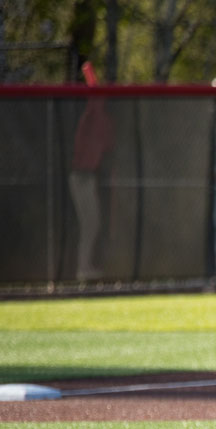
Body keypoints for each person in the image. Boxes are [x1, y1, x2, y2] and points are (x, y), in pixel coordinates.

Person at [69, 61, 114, 280]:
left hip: (90, 177)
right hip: (80, 176)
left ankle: (85, 267)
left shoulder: (103, 119)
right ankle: (82, 268)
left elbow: (107, 142)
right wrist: (90, 75)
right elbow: (94, 100)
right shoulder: (90, 116)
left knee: (93, 223)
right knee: (89, 223)